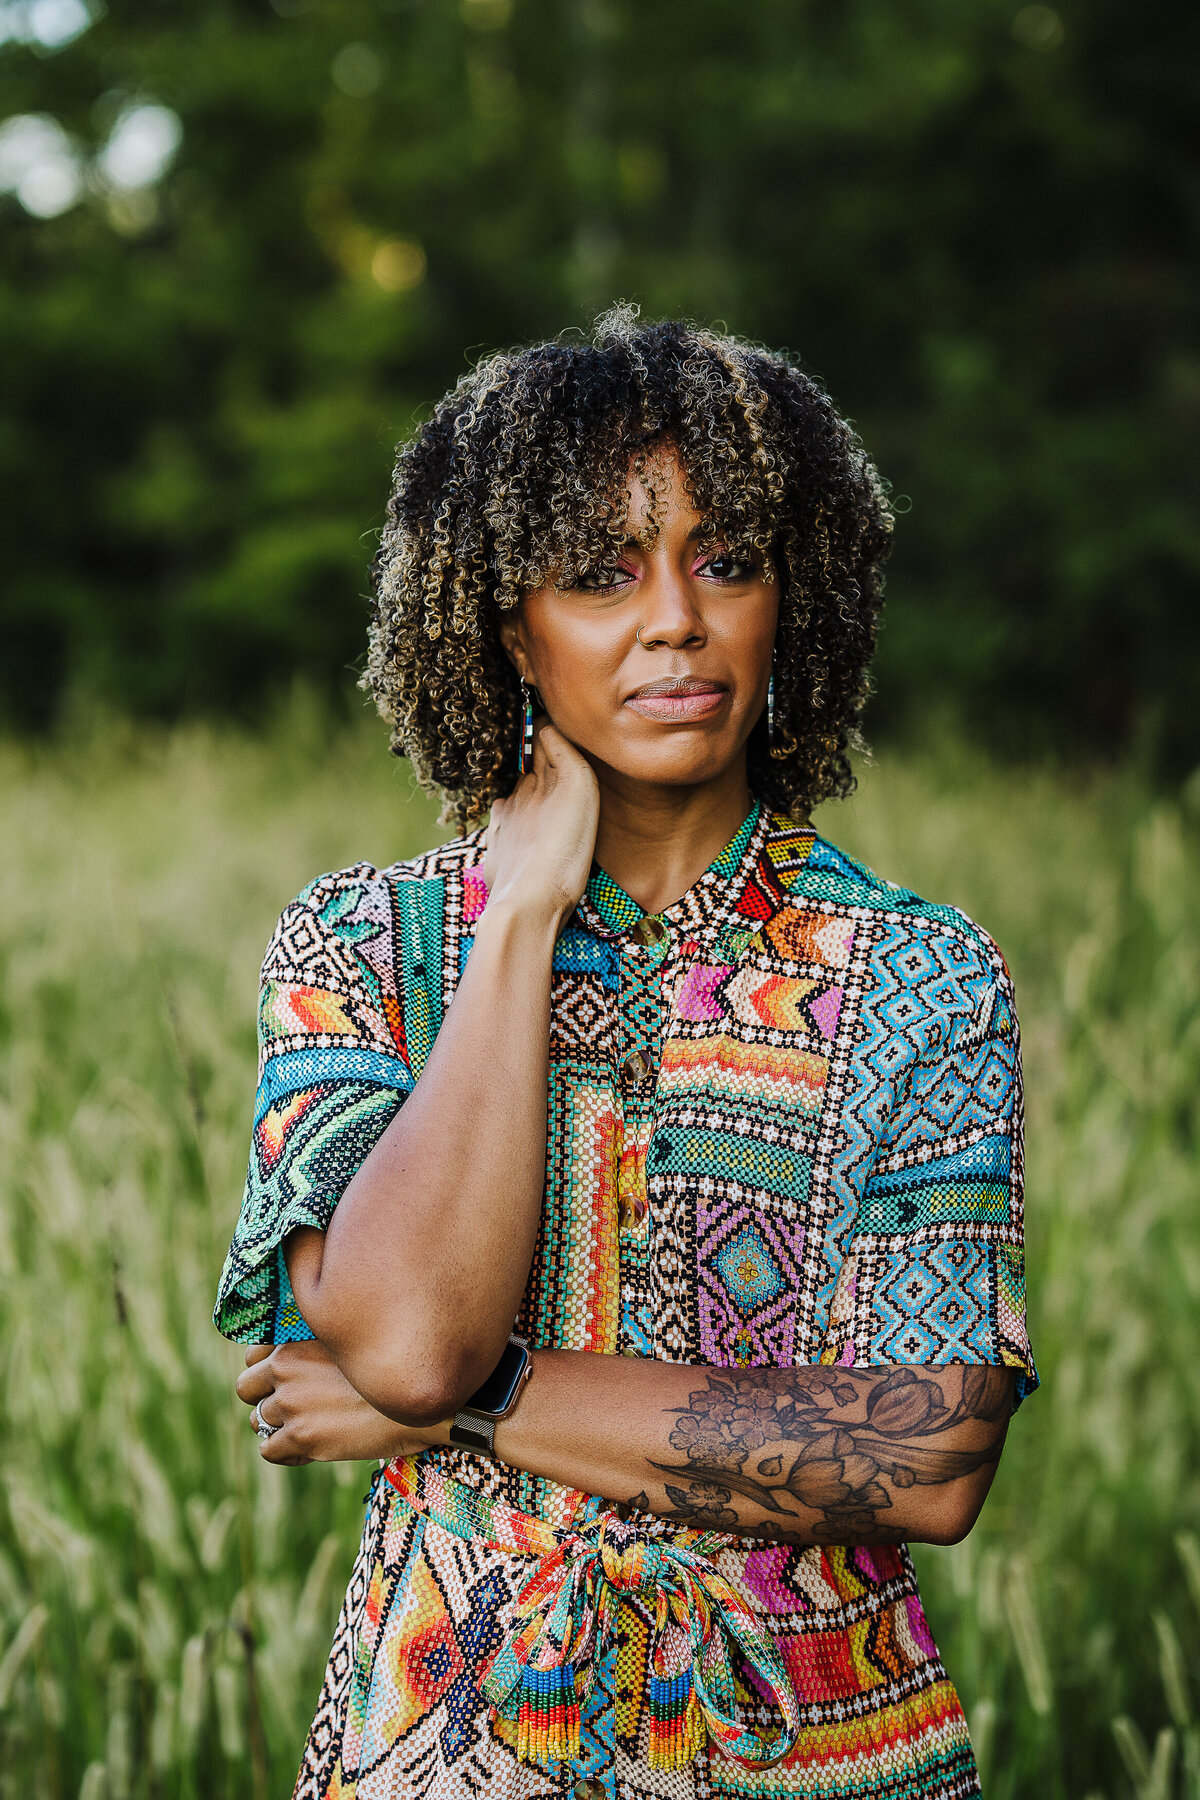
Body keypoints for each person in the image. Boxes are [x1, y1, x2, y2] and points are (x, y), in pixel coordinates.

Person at [216, 309, 1037, 1800]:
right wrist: (522, 911)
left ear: (796, 597)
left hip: (820, 1753)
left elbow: (926, 1460)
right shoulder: (366, 950)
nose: (677, 617)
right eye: (600, 572)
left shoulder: (921, 972)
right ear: (504, 620)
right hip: (458, 1745)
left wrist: (479, 1404)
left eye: (726, 560)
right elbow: (405, 1333)